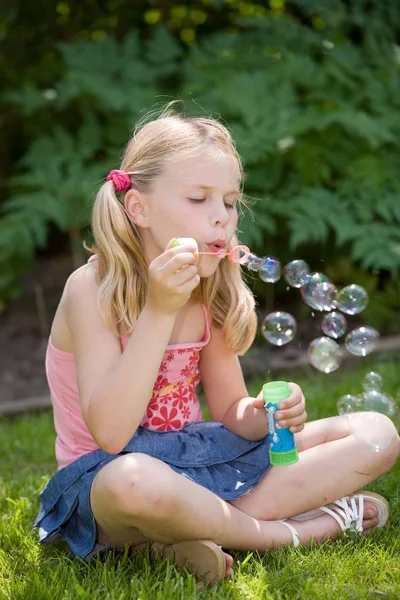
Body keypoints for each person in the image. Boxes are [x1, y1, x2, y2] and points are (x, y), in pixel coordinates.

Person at [35, 106, 400, 584]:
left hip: (198, 462)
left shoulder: (209, 289)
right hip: (109, 479)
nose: (221, 218)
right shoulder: (93, 288)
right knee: (135, 482)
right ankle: (291, 531)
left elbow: (231, 409)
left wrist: (268, 414)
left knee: (376, 433)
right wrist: (160, 311)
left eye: (229, 202)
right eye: (198, 198)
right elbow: (111, 434)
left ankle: (176, 539)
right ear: (138, 208)